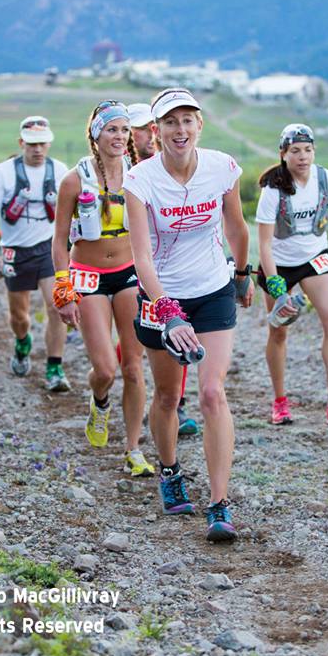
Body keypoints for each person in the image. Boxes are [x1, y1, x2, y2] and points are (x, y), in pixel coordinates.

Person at [124, 87, 254, 542]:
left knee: (213, 393)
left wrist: (243, 274)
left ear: (200, 124)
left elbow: (236, 226)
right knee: (167, 396)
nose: (180, 130)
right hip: (162, 296)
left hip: (213, 289)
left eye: (187, 120)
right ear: (155, 130)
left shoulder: (222, 167)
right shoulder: (140, 180)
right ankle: (169, 470)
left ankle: (219, 504)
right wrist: (168, 312)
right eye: (170, 122)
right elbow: (141, 257)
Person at [51, 101, 154, 478]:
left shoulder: (139, 175)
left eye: (125, 130)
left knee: (134, 367)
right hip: (88, 275)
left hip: (128, 273)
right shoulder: (74, 180)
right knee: (106, 370)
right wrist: (63, 287)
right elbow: (59, 239)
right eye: (112, 129)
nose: (120, 136)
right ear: (96, 135)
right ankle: (99, 400)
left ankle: (133, 449)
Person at [256, 123, 328, 426]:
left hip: (315, 258)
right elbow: (264, 244)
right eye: (295, 151)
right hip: (278, 264)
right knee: (279, 330)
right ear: (283, 154)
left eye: (307, 150)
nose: (302, 157)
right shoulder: (272, 189)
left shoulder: (327, 180)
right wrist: (277, 287)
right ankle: (280, 402)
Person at [0, 116, 70, 391]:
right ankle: (22, 342)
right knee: (19, 316)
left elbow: (73, 213)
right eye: (32, 144)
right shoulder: (3, 173)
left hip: (48, 249)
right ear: (21, 143)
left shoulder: (61, 171)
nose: (37, 149)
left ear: (49, 143)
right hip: (14, 251)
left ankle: (55, 368)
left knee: (56, 306)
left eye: (42, 143)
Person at [128, 102, 199, 437]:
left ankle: (174, 403)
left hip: (162, 268)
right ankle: (134, 386)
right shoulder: (121, 169)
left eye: (147, 128)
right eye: (138, 129)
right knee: (132, 346)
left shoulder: (174, 162)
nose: (144, 136)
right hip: (126, 264)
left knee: (176, 331)